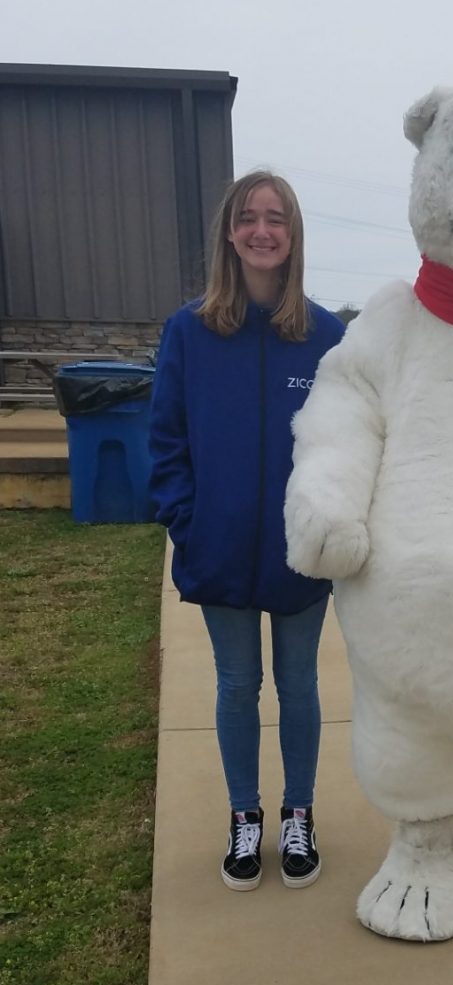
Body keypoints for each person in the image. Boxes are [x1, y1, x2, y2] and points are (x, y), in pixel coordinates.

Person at [149, 170, 345, 891]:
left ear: (293, 237)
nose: (263, 231)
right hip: (220, 544)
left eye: (278, 220)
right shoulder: (190, 330)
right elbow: (165, 437)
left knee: (298, 684)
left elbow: (352, 442)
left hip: (302, 551)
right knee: (236, 685)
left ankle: (298, 813)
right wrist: (186, 520)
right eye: (249, 218)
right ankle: (244, 818)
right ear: (229, 232)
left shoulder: (326, 335)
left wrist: (332, 523)